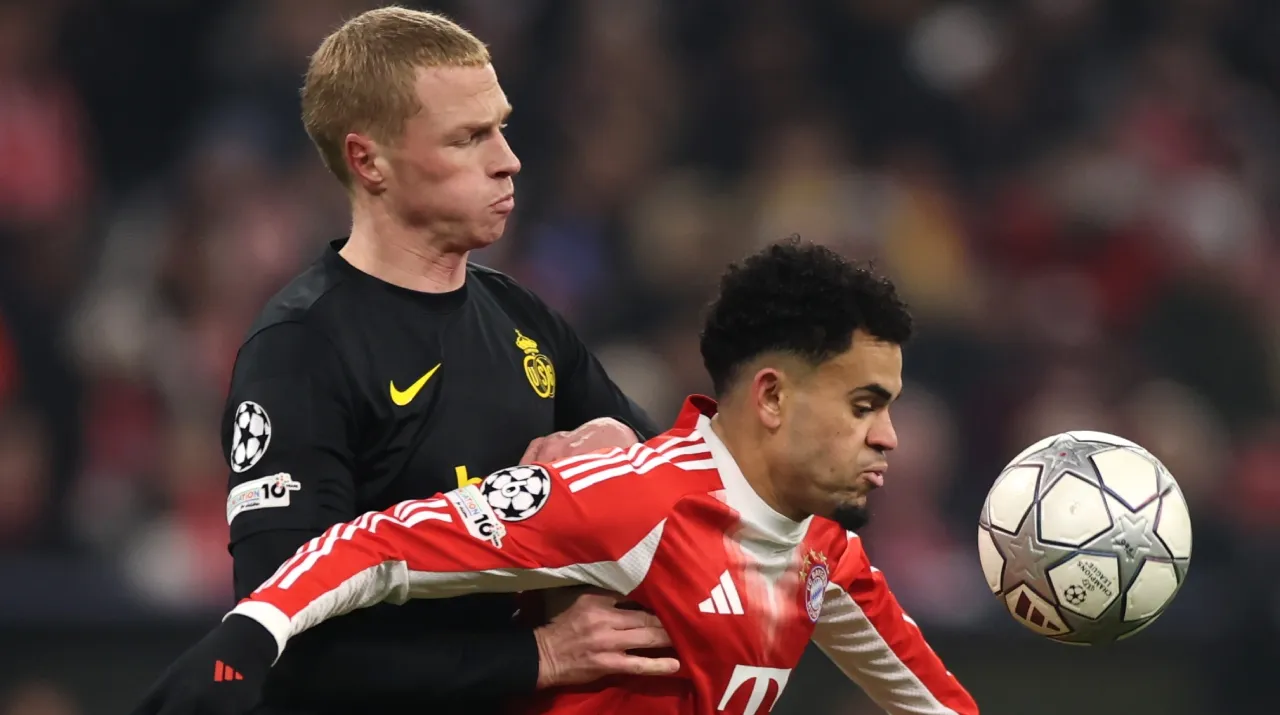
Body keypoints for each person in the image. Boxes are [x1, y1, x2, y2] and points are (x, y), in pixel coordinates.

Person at [132, 239, 981, 715]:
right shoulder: (626, 499)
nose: (890, 438)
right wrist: (251, 635)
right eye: (866, 404)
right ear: (770, 397)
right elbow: (377, 544)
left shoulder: (827, 556)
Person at [186, 7, 673, 715]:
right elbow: (281, 645)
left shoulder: (523, 320)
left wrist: (623, 453)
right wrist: (539, 656)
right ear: (368, 160)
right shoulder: (301, 351)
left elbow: (688, 500)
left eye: (501, 126)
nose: (508, 158)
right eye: (469, 137)